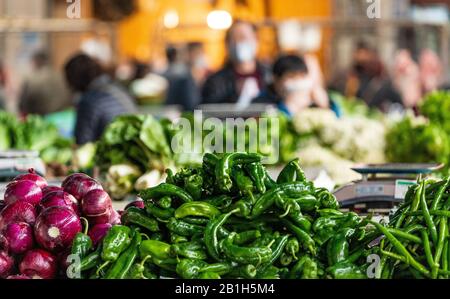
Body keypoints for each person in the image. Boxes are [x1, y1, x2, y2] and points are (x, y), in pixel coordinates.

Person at [64, 53, 137, 145]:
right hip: (131, 147)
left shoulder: (89, 101)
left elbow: (82, 143)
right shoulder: (118, 88)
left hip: (112, 152)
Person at [201, 20, 271, 108]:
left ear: (256, 40)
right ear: (227, 45)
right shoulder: (215, 82)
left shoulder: (270, 75)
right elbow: (208, 113)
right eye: (233, 39)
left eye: (243, 37)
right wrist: (235, 97)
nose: (238, 42)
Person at [254, 55, 334, 117]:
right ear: (276, 80)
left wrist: (325, 106)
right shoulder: (260, 103)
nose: (298, 83)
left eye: (302, 77)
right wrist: (288, 108)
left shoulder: (315, 100)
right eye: (292, 77)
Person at [19, 51, 71, 116]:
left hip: (42, 120)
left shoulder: (31, 79)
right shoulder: (61, 76)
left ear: (36, 62)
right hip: (64, 118)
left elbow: (23, 105)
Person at [163, 45, 200, 111]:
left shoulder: (164, 72)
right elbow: (191, 101)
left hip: (172, 111)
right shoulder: (184, 73)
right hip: (184, 112)